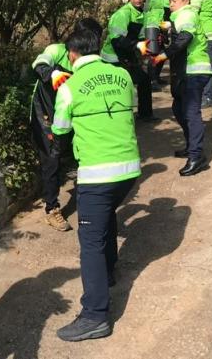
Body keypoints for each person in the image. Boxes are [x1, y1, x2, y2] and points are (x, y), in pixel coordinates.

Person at [51, 29, 142, 342]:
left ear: (72, 54)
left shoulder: (69, 87)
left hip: (97, 173)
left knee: (89, 241)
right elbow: (128, 111)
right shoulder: (122, 75)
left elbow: (60, 130)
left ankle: (95, 315)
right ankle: (110, 272)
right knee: (106, 217)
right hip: (129, 170)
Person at [30, 17, 104, 232]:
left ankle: (86, 197)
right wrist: (51, 73)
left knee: (80, 152)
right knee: (52, 159)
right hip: (46, 112)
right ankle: (51, 209)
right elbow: (39, 63)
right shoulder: (56, 51)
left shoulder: (90, 60)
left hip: (70, 111)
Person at [152, 0, 212, 177]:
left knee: (190, 112)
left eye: (174, 0)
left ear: (185, 0)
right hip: (186, 71)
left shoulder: (186, 14)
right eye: (169, 0)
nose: (171, 3)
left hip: (194, 70)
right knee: (179, 108)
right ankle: (191, 147)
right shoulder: (180, 16)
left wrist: (164, 55)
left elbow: (185, 38)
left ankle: (197, 157)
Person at [100, 0, 157, 121]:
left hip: (127, 55)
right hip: (113, 58)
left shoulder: (141, 13)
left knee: (143, 80)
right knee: (118, 86)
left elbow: (142, 35)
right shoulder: (122, 14)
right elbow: (116, 41)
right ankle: (113, 116)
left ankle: (145, 114)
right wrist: (136, 45)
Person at [144, 0, 171, 89]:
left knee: (161, 54)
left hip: (154, 26)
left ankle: (156, 78)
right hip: (154, 26)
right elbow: (169, 8)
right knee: (154, 54)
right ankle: (152, 81)